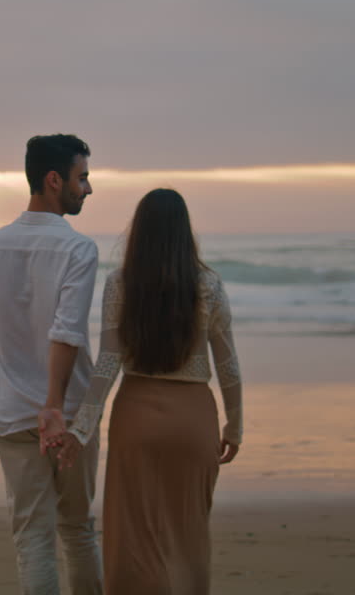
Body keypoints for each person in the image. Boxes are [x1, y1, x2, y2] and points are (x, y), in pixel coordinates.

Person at [56, 188, 242, 595]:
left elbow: (107, 362)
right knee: (188, 536)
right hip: (194, 421)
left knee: (133, 537)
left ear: (138, 231)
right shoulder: (209, 284)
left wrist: (81, 428)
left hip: (136, 417)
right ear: (184, 232)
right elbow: (228, 366)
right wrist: (236, 427)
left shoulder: (120, 283)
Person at [0, 133, 102, 595]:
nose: (87, 189)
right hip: (67, 411)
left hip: (11, 408)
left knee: (32, 536)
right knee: (76, 529)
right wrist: (53, 405)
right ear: (54, 180)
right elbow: (66, 331)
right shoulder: (79, 249)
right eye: (82, 178)